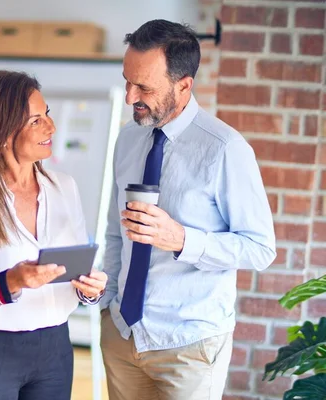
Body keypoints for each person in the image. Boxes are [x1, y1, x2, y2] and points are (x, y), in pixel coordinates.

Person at [100, 19, 276, 400]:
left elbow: (260, 248)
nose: (130, 97)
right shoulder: (128, 139)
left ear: (183, 86)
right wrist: (106, 303)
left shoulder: (225, 149)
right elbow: (117, 233)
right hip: (122, 335)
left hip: (189, 347)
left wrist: (182, 239)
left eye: (144, 87)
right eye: (127, 81)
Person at [0, 70, 108, 400]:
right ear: (1, 131)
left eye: (47, 114)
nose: (51, 127)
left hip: (56, 350)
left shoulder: (65, 188)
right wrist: (11, 281)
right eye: (36, 120)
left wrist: (90, 288)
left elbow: (76, 272)